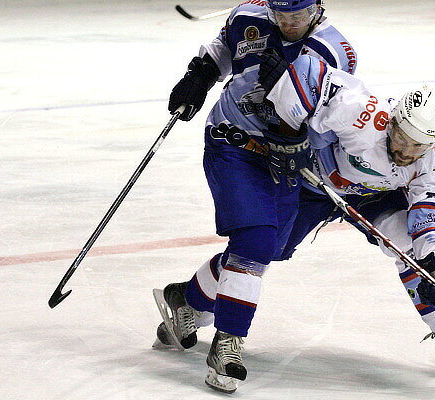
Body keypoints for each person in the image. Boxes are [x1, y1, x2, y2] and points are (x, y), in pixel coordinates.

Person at [152, 0, 358, 393]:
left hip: (284, 159)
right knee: (256, 243)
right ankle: (227, 345)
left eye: (298, 17)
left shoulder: (334, 52)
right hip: (232, 143)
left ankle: (187, 300)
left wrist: (295, 138)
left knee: (269, 249)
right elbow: (224, 47)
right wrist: (201, 73)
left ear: (318, 8)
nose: (289, 24)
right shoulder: (248, 17)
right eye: (281, 17)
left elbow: (327, 117)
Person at [256, 52, 435, 367]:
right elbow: (313, 74)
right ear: (393, 121)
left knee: (412, 249)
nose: (406, 152)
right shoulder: (363, 115)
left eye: (418, 146)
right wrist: (286, 84)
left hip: (375, 196)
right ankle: (193, 302)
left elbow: (432, 214)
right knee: (263, 248)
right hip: (315, 184)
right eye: (402, 138)